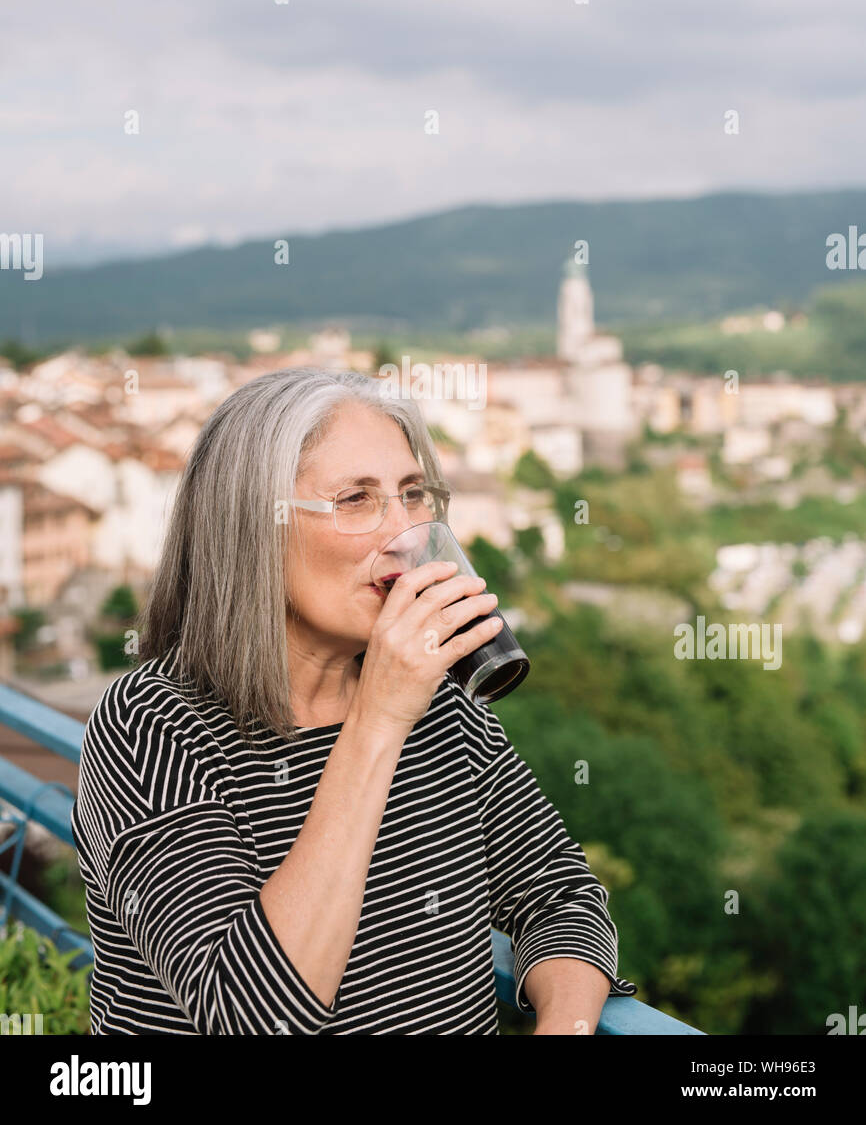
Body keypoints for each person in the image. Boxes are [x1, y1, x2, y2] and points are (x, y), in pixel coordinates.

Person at [71, 366, 637, 1034]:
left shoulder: (445, 710)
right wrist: (377, 722)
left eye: (413, 493)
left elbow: (559, 894)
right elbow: (252, 1016)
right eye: (357, 500)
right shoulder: (150, 727)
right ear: (253, 529)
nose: (403, 532)